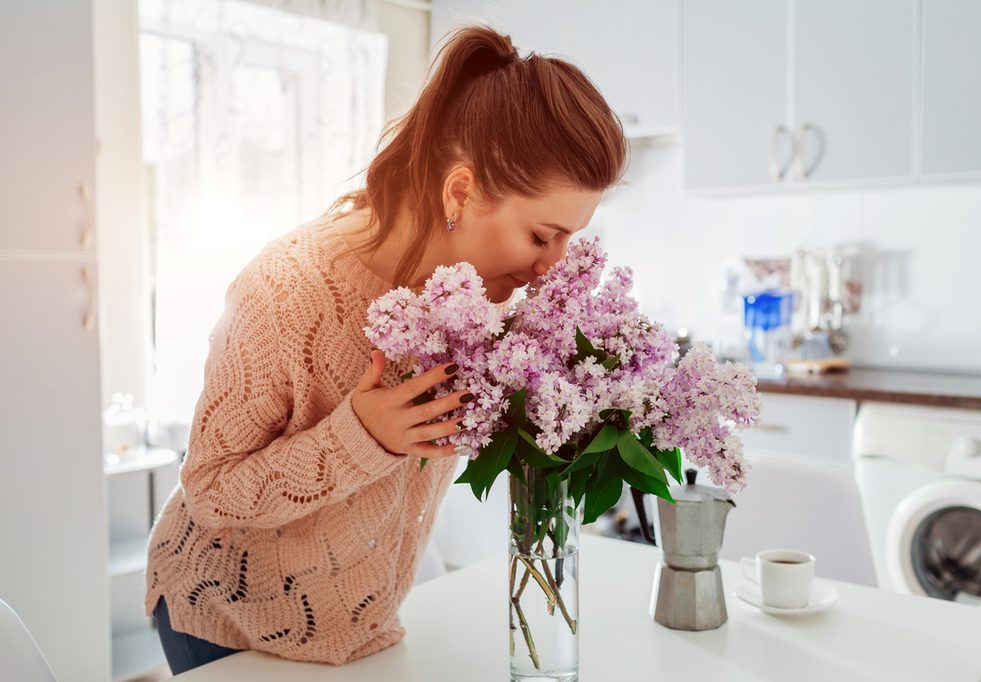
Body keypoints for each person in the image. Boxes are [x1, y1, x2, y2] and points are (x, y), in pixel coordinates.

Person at [145, 23, 627, 674]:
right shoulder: (287, 289)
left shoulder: (480, 300)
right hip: (230, 621)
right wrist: (362, 435)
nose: (553, 267)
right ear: (460, 192)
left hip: (361, 631)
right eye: (543, 236)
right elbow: (210, 490)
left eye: (569, 240)